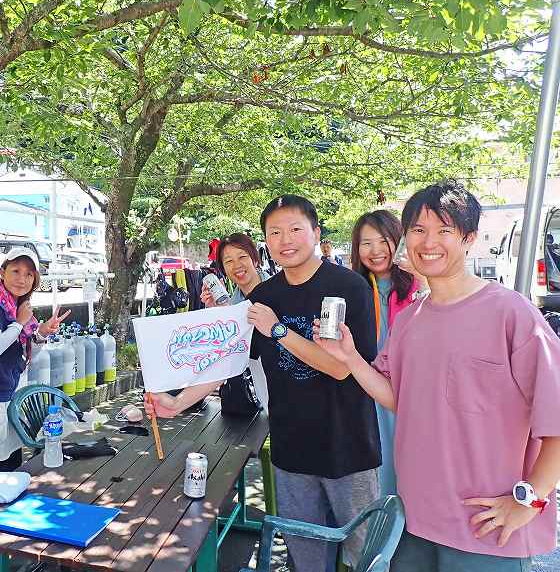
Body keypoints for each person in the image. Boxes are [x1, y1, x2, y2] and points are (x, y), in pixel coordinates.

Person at [314, 180, 560, 572]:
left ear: (469, 238)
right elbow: (400, 397)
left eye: (445, 230)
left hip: (485, 533)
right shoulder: (410, 319)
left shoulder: (512, 314)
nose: (429, 242)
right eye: (418, 230)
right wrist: (350, 358)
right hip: (413, 522)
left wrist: (530, 499)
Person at [147, 195, 381, 572]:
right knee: (305, 556)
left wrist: (277, 329)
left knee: (364, 555)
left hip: (349, 447)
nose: (285, 239)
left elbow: (342, 369)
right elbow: (228, 362)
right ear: (266, 242)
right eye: (275, 232)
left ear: (316, 234)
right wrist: (176, 402)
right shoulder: (265, 296)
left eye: (295, 230)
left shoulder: (349, 287)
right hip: (292, 451)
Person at [0, 247, 70, 471]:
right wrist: (19, 322)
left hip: (11, 397)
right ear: (3, 272)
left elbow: (28, 357)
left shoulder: (21, 309)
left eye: (29, 274)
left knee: (14, 464)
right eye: (16, 271)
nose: (22, 279)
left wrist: (41, 333)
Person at [350, 209, 424, 496]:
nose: (376, 250)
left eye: (383, 241)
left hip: (407, 389)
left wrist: (423, 281)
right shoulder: (352, 288)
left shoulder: (416, 284)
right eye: (366, 243)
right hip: (366, 387)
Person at [201, 232, 269, 307]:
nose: (237, 265)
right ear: (224, 269)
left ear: (255, 260)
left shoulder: (280, 289)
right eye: (229, 261)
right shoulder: (233, 304)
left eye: (242, 257)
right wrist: (218, 309)